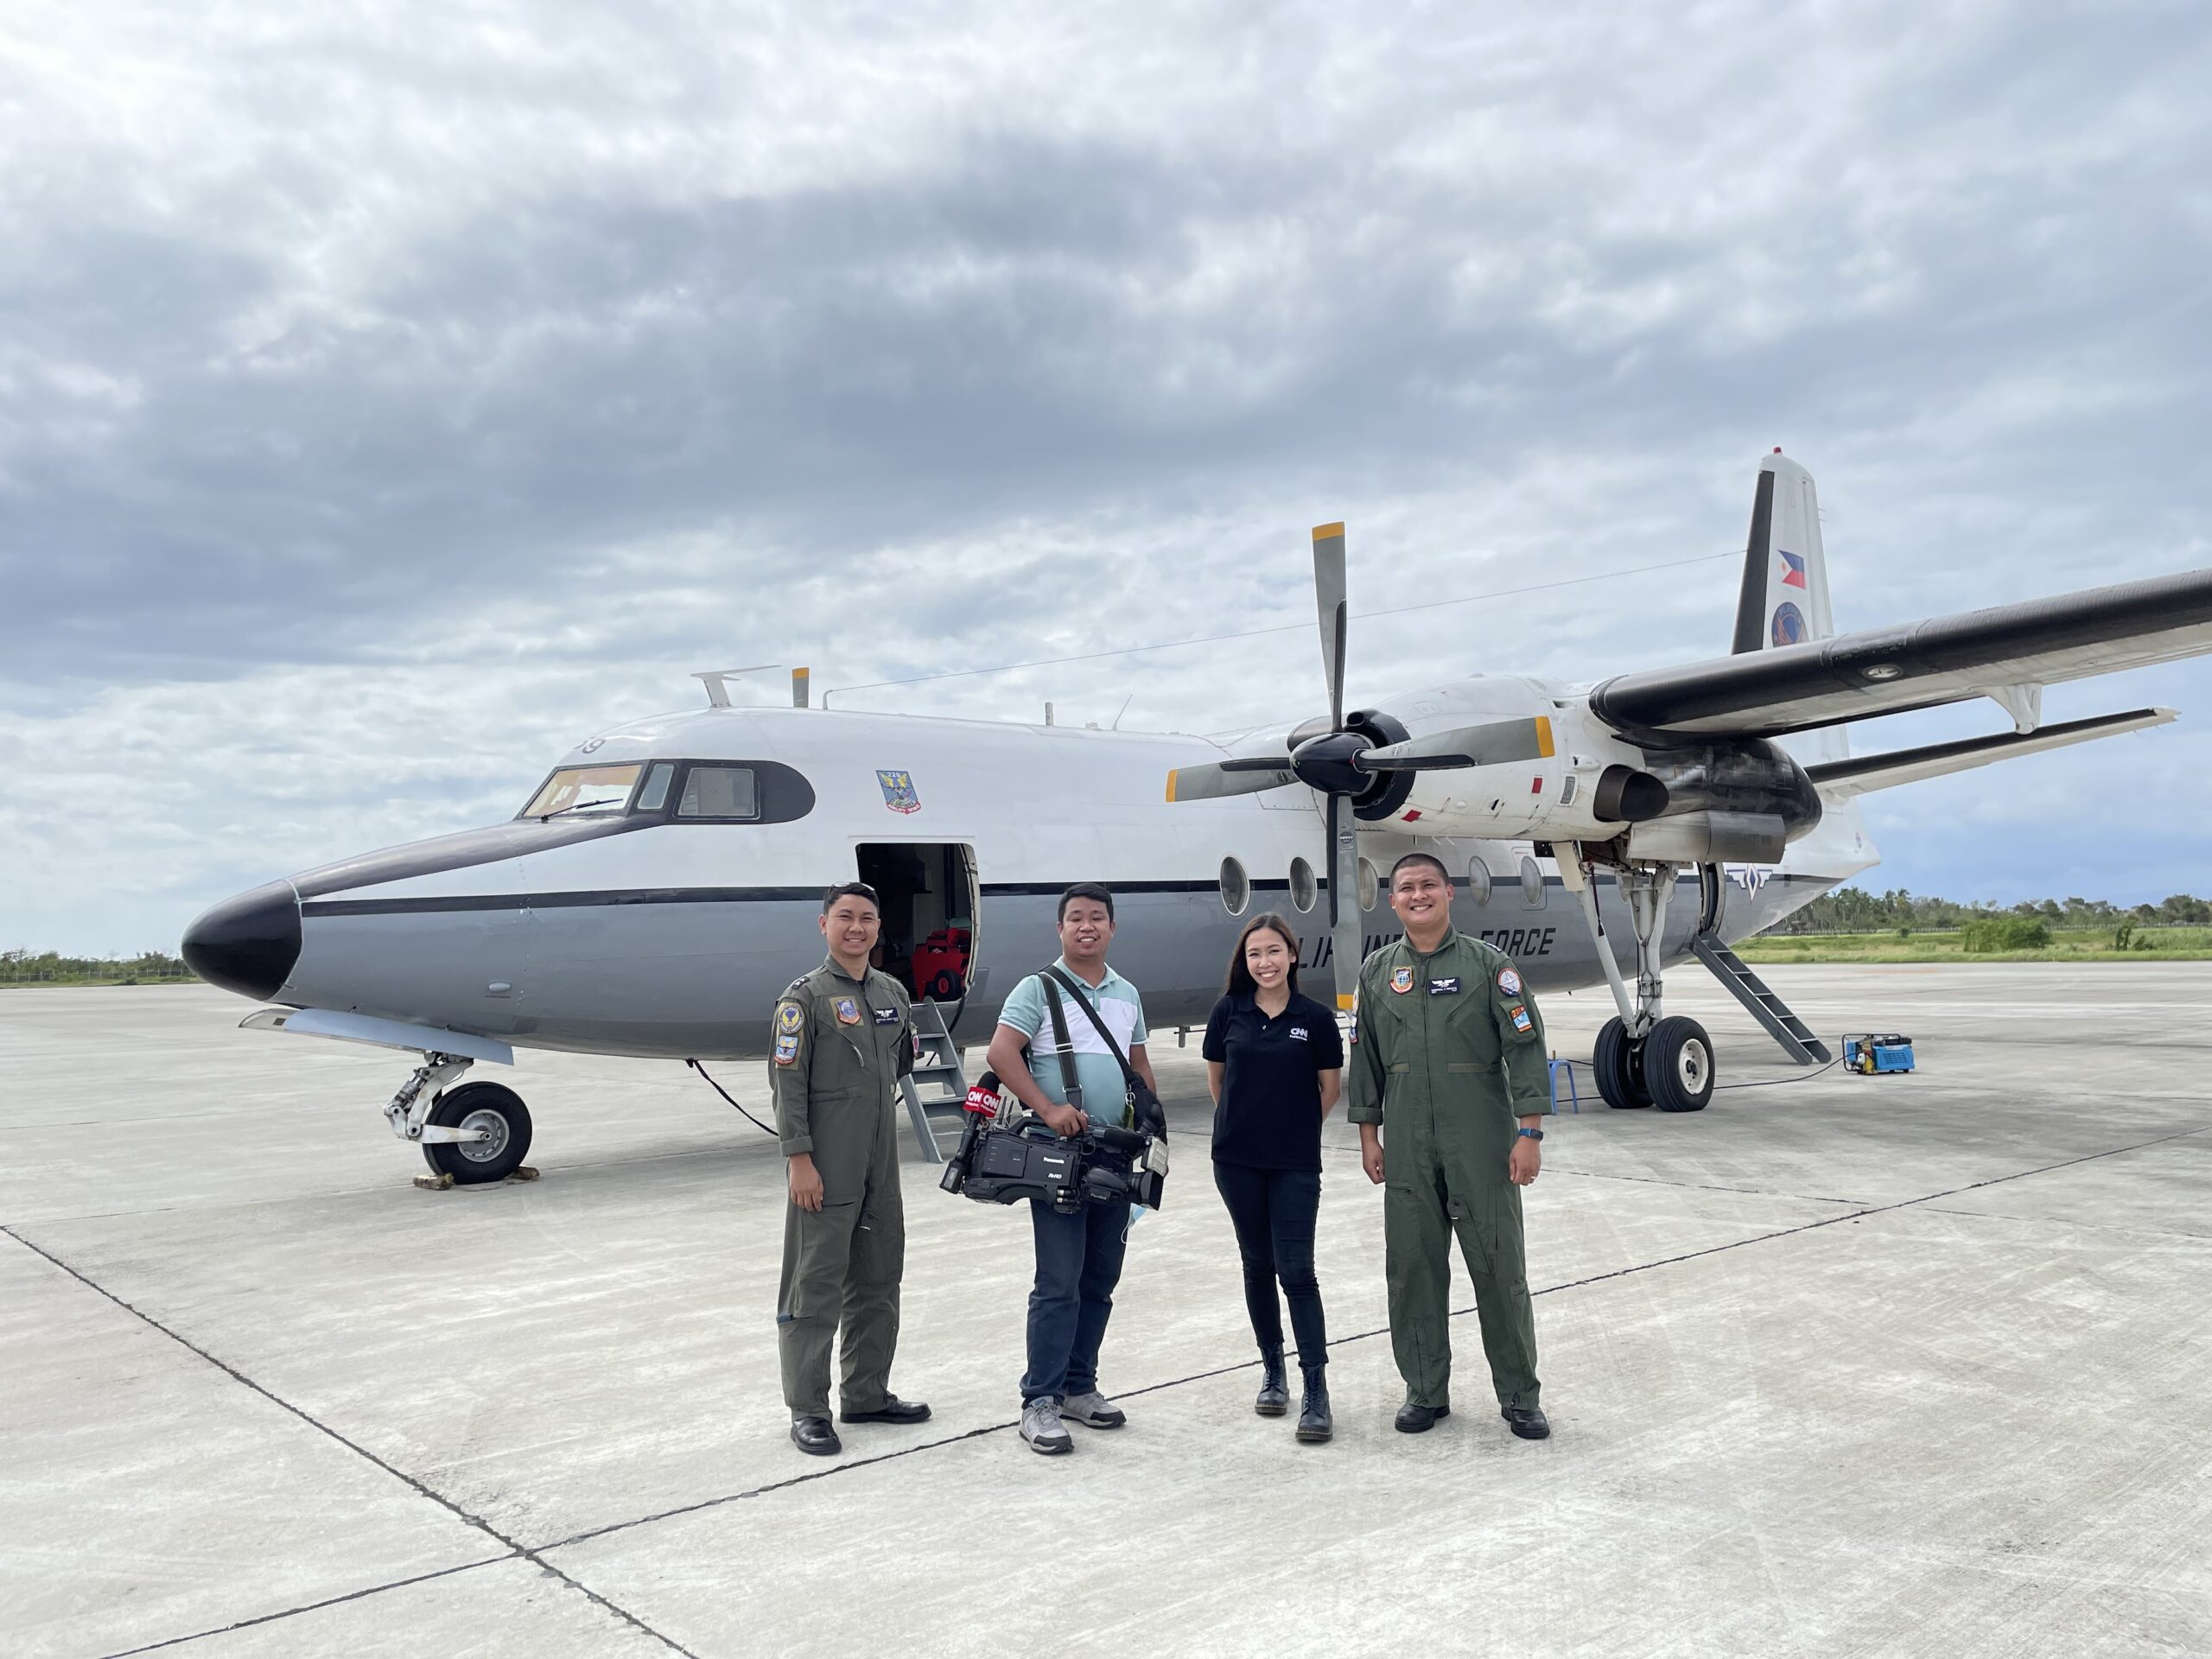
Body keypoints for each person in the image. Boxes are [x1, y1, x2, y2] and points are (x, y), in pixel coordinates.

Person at [1345, 851, 1554, 1441]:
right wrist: (1368, 1134)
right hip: (1407, 1145)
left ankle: (1519, 1396)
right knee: (1412, 1271)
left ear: (1449, 893)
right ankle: (1424, 1391)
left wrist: (1529, 1132)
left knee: (1498, 1268)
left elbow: (1524, 1048)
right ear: (1392, 901)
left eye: (1428, 885)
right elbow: (1367, 1061)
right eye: (1405, 887)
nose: (1418, 895)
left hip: (1482, 1144)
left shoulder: (1491, 967)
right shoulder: (1377, 973)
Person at [984, 883, 1158, 1456]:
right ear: (1060, 930)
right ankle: (1040, 1399)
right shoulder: (1037, 989)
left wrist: (1150, 1129)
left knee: (1099, 1279)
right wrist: (1050, 1108)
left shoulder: (1126, 992)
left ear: (1112, 929)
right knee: (1059, 1281)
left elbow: (1137, 1065)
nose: (1088, 926)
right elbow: (1001, 1053)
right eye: (1076, 918)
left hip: (1113, 1152)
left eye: (1098, 918)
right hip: (1061, 1154)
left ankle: (1080, 1387)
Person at [769, 882, 931, 1456]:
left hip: (880, 1158)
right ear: (824, 926)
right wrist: (799, 1159)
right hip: (826, 1161)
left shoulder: (891, 991)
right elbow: (787, 1083)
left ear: (879, 927)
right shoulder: (804, 999)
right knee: (815, 1283)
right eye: (845, 917)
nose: (856, 927)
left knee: (880, 1275)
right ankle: (808, 1409)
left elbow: (900, 1063)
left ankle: (866, 1393)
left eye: (866, 917)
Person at [1203, 912, 1343, 1444]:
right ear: (1245, 960)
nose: (1265, 962)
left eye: (1274, 952)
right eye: (1255, 954)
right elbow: (1218, 1079)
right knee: (1256, 1266)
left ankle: (1316, 1391)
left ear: (1293, 955)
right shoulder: (1228, 1012)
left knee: (1297, 1271)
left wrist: (1292, 1130)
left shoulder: (1316, 1017)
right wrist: (1244, 1126)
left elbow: (1328, 1088)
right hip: (1236, 1160)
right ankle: (1273, 1372)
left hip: (1294, 1163)